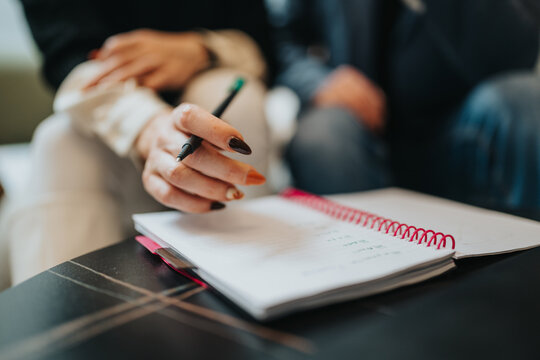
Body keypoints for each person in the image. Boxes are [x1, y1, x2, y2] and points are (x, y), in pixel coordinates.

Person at [4, 0, 273, 284]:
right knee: (60, 141)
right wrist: (147, 125)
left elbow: (264, 45)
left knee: (232, 103)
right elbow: (68, 55)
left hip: (212, 75)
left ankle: (253, 282)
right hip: (108, 99)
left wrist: (202, 49)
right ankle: (69, 318)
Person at [271, 0, 540, 215]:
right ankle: (360, 268)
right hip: (357, 129)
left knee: (520, 100)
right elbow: (281, 42)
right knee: (324, 137)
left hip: (458, 133)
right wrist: (319, 82)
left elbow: (516, 54)